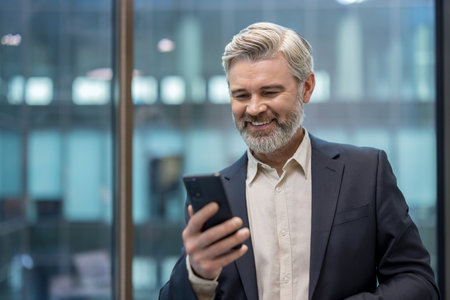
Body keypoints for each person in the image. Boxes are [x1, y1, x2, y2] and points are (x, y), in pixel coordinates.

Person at [159, 22, 440, 300]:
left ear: (307, 87)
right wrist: (198, 274)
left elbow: (418, 282)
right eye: (241, 95)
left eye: (269, 92)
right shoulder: (216, 197)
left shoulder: (366, 172)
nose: (255, 108)